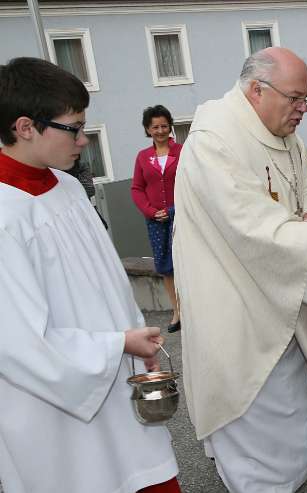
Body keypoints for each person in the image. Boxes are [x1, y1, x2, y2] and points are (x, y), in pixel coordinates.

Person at [171, 47, 307, 492]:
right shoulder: (214, 140)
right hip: (236, 289)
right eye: (296, 98)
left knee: (293, 380)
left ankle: (299, 455)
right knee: (252, 384)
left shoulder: (283, 131)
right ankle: (261, 478)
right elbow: (244, 222)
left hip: (282, 276)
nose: (303, 109)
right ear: (257, 90)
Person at [0, 57, 180, 493]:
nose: (83, 140)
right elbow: (18, 341)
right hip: (55, 412)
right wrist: (116, 344)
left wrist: (134, 338)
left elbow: (105, 280)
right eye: (74, 128)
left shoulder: (66, 188)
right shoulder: (5, 213)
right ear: (26, 127)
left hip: (117, 372)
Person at [131, 105, 182, 333]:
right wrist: (151, 211)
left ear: (169, 126)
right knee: (165, 267)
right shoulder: (143, 157)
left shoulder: (182, 151)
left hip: (181, 216)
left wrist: (176, 208)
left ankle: (194, 308)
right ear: (147, 129)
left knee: (185, 263)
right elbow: (137, 189)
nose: (160, 130)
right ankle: (177, 310)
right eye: (155, 127)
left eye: (164, 125)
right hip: (156, 221)